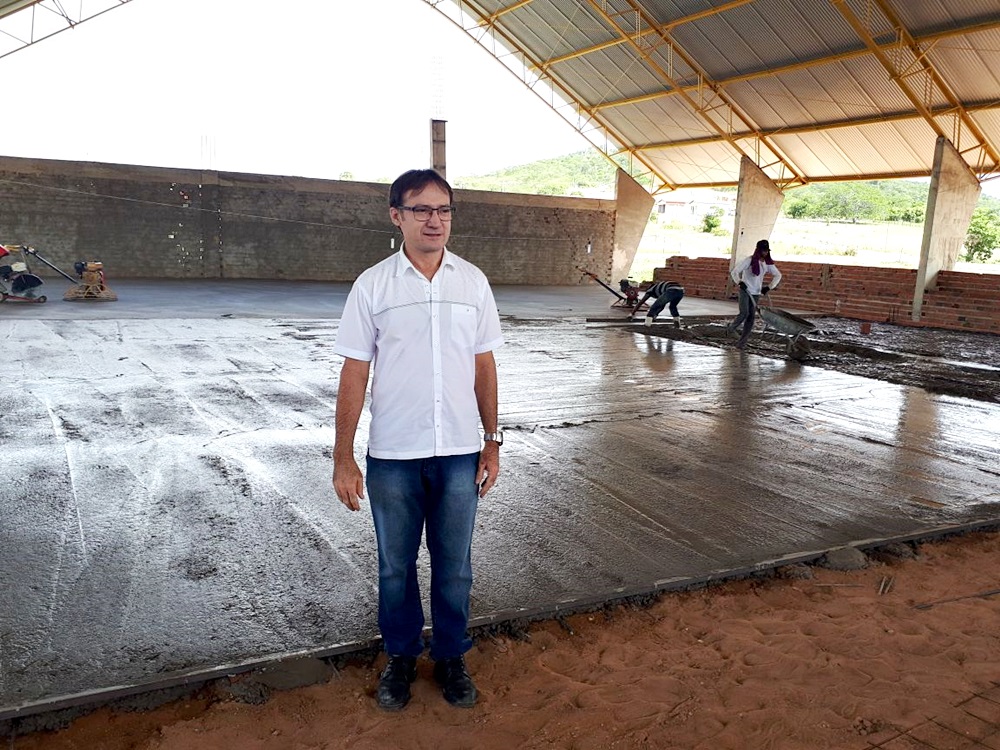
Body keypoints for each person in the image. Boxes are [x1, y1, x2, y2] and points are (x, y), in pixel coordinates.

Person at [332, 169, 504, 712]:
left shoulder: (472, 282)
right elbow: (354, 372)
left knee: (455, 565)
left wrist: (492, 440)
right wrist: (343, 456)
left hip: (458, 452)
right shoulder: (373, 286)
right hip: (393, 456)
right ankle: (401, 657)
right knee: (394, 565)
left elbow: (484, 365)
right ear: (396, 216)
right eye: (422, 209)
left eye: (444, 210)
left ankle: (451, 656)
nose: (435, 220)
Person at [728, 239, 782, 348]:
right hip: (745, 291)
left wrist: (769, 287)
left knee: (751, 317)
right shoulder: (749, 261)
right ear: (758, 250)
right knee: (744, 313)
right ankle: (731, 328)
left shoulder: (767, 264)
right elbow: (734, 271)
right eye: (763, 250)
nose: (765, 253)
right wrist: (739, 282)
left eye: (767, 250)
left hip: (756, 293)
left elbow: (778, 275)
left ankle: (742, 342)